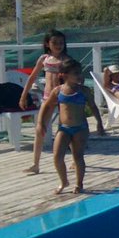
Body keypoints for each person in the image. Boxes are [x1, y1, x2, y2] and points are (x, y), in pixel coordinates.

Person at [37, 59, 104, 194]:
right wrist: (41, 123)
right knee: (57, 156)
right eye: (75, 73)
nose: (79, 76)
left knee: (78, 156)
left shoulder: (84, 91)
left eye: (80, 73)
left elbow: (93, 107)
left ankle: (79, 184)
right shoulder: (58, 91)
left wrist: (99, 123)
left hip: (80, 128)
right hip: (64, 128)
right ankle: (64, 182)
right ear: (64, 75)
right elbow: (47, 105)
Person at [21, 30, 70, 175]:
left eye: (61, 43)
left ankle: (74, 160)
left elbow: (74, 79)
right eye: (55, 43)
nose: (58, 45)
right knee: (39, 128)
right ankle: (35, 164)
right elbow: (31, 78)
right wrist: (23, 96)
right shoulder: (44, 59)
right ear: (47, 44)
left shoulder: (66, 60)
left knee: (67, 129)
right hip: (48, 97)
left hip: (63, 97)